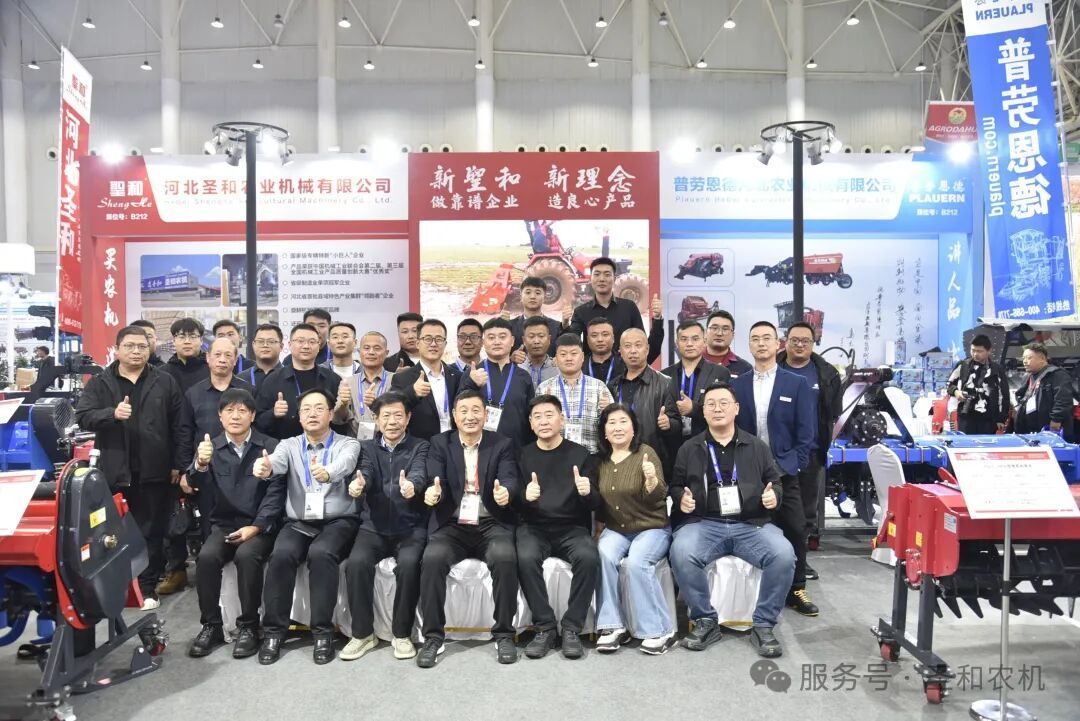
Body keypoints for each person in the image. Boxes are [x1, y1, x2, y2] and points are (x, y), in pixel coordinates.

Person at [667, 381, 795, 658]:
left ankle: (763, 625)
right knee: (681, 551)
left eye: (724, 403)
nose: (717, 409)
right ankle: (705, 620)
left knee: (784, 555)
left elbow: (774, 482)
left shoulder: (757, 446)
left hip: (751, 524)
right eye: (711, 404)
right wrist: (681, 499)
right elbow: (676, 485)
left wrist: (774, 496)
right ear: (703, 411)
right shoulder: (690, 448)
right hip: (704, 523)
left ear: (736, 409)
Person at [74, 326, 185, 610]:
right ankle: (116, 589)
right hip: (114, 473)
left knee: (152, 533)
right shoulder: (100, 382)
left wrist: (178, 464)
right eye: (130, 346)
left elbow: (180, 425)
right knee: (111, 533)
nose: (136, 351)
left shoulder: (164, 381)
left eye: (142, 346)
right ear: (117, 349)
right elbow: (83, 416)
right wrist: (111, 414)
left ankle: (146, 589)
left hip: (155, 472)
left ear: (149, 349)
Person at [253, 388, 361, 665]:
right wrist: (264, 467)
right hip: (299, 521)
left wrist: (328, 473)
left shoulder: (347, 443)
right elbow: (275, 463)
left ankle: (322, 633)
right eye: (306, 409)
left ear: (330, 414)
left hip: (338, 520)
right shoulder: (288, 445)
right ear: (299, 417)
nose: (312, 414)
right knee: (281, 556)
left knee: (321, 554)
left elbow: (346, 464)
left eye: (319, 408)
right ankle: (274, 633)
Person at [415, 390, 521, 668]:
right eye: (463, 411)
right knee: (432, 558)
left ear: (485, 415)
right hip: (453, 524)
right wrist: (433, 493)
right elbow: (434, 478)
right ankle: (433, 637)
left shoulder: (501, 444)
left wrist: (506, 493)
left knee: (505, 557)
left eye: (476, 410)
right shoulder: (440, 443)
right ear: (454, 416)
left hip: (490, 522)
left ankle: (504, 634)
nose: (470, 416)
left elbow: (510, 477)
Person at [185, 388, 284, 659]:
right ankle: (211, 625)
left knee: (247, 556)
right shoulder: (210, 447)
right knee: (206, 558)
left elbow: (276, 493)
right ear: (220, 416)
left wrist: (257, 526)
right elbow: (194, 484)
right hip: (225, 524)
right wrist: (200, 463)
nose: (236, 416)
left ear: (253, 415)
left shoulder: (271, 446)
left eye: (242, 410)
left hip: (260, 525)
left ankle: (249, 626)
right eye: (229, 410)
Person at [732, 321, 818, 617]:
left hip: (784, 471)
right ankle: (753, 589)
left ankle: (797, 588)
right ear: (749, 345)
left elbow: (806, 433)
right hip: (747, 473)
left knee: (795, 527)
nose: (761, 343)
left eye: (767, 338)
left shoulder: (796, 383)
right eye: (755, 338)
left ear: (778, 343)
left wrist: (793, 465)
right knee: (749, 529)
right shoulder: (738, 384)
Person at [342, 391, 429, 662]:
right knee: (356, 564)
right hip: (373, 527)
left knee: (409, 565)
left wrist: (412, 486)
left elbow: (419, 472)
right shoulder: (366, 448)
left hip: (410, 526)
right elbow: (365, 471)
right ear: (377, 419)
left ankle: (401, 634)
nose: (392, 421)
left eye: (398, 415)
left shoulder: (420, 446)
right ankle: (362, 634)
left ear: (408, 418)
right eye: (386, 416)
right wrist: (359, 484)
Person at [166, 338, 255, 595]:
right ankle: (214, 588)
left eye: (228, 355)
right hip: (205, 472)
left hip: (242, 473)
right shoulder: (194, 393)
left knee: (244, 530)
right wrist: (186, 470)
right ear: (208, 358)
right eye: (217, 355)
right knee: (209, 530)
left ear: (236, 359)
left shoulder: (248, 391)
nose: (222, 360)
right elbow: (184, 433)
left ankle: (243, 587)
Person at [515, 395, 599, 660]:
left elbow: (595, 502)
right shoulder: (522, 455)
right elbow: (513, 501)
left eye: (549, 415)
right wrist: (524, 496)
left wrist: (587, 493)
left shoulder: (581, 454)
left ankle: (572, 627)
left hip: (572, 528)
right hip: (534, 527)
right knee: (525, 557)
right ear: (530, 423)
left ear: (561, 419)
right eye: (537, 417)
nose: (543, 421)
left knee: (588, 557)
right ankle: (545, 627)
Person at [592, 404, 675, 655]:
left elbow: (659, 497)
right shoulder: (600, 461)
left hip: (651, 527)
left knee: (638, 561)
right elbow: (601, 503)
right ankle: (613, 626)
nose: (617, 427)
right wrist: (598, 528)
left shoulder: (646, 453)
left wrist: (651, 481)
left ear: (633, 428)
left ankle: (660, 631)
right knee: (603, 555)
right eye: (612, 423)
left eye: (623, 421)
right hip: (616, 529)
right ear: (604, 431)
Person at [778, 321, 843, 579]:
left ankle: (800, 562)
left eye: (805, 341)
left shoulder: (826, 374)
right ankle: (776, 560)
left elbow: (832, 413)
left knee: (805, 512)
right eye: (794, 340)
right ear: (785, 342)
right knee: (775, 508)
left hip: (811, 454)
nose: (799, 345)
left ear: (813, 344)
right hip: (777, 453)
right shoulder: (774, 367)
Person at [607, 328, 680, 474]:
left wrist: (669, 424)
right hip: (619, 459)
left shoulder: (666, 383)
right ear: (620, 351)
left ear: (647, 349)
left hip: (653, 459)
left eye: (638, 345)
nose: (633, 351)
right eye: (627, 346)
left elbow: (678, 424)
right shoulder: (612, 386)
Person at [255, 324, 343, 440]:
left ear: (318, 346)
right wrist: (273, 413)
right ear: (290, 345)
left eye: (312, 342)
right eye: (300, 341)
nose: (306, 346)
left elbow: (341, 423)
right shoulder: (272, 380)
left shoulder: (333, 379)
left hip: (326, 446)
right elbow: (258, 422)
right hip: (283, 445)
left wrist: (343, 406)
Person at [460, 317, 536, 450]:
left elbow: (531, 416)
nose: (497, 342)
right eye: (491, 337)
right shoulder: (472, 373)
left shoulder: (523, 376)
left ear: (512, 341)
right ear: (483, 342)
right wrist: (471, 383)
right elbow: (459, 410)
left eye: (502, 337)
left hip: (516, 449)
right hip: (480, 449)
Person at [536, 334, 614, 453]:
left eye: (573, 354)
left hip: (591, 455)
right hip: (555, 455)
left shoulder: (599, 387)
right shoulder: (544, 388)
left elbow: (611, 423)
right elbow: (537, 425)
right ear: (556, 359)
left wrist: (607, 411)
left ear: (582, 357)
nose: (568, 358)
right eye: (563, 354)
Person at [662, 320, 731, 446]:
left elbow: (725, 412)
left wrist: (694, 409)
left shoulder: (720, 373)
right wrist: (668, 423)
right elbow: (666, 412)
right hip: (673, 447)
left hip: (709, 445)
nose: (689, 344)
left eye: (695, 339)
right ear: (677, 343)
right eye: (684, 339)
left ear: (704, 341)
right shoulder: (665, 375)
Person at [390, 319, 462, 440]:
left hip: (454, 443)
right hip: (421, 446)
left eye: (439, 339)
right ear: (418, 343)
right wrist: (412, 392)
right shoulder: (402, 378)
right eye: (428, 339)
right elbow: (392, 408)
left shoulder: (457, 376)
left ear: (445, 344)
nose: (433, 344)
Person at [566, 257, 644, 351]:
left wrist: (657, 319)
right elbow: (571, 344)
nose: (602, 279)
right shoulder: (581, 312)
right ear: (591, 278)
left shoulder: (629, 308)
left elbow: (641, 341)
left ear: (614, 279)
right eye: (597, 274)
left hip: (623, 360)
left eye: (607, 274)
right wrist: (565, 325)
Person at [946, 334, 1012, 435]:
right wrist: (956, 392)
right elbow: (949, 384)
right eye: (973, 350)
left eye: (979, 351)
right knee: (966, 441)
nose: (975, 354)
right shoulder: (963, 365)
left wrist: (1001, 419)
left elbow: (1004, 395)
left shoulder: (996, 370)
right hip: (965, 416)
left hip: (988, 418)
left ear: (989, 351)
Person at [1014, 342, 1075, 441]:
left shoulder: (1057, 375)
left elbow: (1063, 399)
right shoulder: (1028, 377)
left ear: (1042, 358)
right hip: (1032, 430)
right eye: (1023, 358)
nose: (1024, 361)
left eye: (1029, 358)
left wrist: (1056, 419)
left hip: (1052, 428)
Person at [340, 331, 395, 440]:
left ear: (386, 353)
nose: (371, 352)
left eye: (377, 348)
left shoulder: (395, 380)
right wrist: (342, 404)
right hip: (356, 442)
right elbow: (338, 420)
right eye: (366, 348)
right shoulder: (348, 382)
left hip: (388, 441)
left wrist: (376, 405)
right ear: (359, 352)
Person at [508, 276, 562, 357]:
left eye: (538, 293)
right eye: (528, 292)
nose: (533, 296)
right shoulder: (509, 327)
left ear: (544, 297)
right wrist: (511, 359)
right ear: (521, 296)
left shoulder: (557, 327)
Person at [162, 317, 209, 393]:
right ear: (174, 341)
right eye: (182, 337)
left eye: (193, 337)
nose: (187, 341)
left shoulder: (212, 370)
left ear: (201, 340)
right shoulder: (162, 373)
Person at [703, 310, 753, 377]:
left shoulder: (745, 368)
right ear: (705, 332)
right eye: (714, 328)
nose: (719, 333)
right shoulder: (692, 361)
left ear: (733, 335)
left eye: (725, 329)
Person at [517, 316, 559, 387]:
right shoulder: (516, 368)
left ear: (549, 339)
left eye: (541, 336)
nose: (536, 341)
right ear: (524, 340)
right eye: (531, 336)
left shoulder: (558, 368)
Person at [583, 317, 626, 385]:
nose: (600, 339)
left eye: (605, 334)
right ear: (588, 340)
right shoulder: (580, 365)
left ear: (613, 338)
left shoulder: (625, 363)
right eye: (594, 335)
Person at [246, 323, 284, 391]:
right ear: (253, 345)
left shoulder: (291, 377)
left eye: (271, 341)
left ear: (281, 346)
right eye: (260, 341)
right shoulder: (241, 379)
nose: (265, 345)